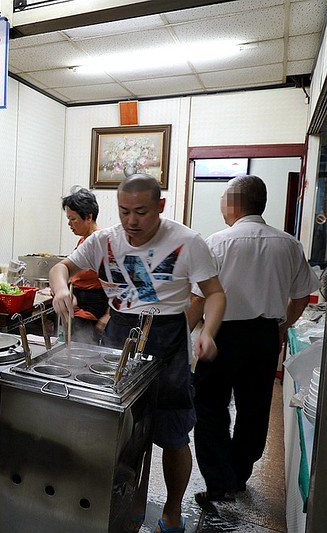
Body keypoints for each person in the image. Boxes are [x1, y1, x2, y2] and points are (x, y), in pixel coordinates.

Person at [50, 174, 225, 533]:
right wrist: (60, 289)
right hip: (120, 334)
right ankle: (112, 508)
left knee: (173, 435)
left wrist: (208, 331)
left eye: (141, 212)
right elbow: (61, 268)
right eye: (124, 211)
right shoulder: (104, 241)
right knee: (116, 431)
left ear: (160, 206)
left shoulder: (188, 242)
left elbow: (215, 292)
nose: (131, 221)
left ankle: (172, 513)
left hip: (168, 340)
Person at [188, 175, 318, 505]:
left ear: (233, 204)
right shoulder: (288, 244)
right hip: (264, 336)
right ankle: (239, 475)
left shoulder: (216, 243)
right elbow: (302, 296)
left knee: (209, 405)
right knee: (255, 409)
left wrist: (181, 337)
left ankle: (219, 482)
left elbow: (199, 298)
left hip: (222, 335)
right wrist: (283, 326)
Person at [62, 187, 108, 344]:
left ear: (89, 217)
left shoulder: (100, 242)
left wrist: (108, 315)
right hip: (78, 306)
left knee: (83, 352)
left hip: (92, 309)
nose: (69, 224)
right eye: (68, 219)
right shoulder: (83, 239)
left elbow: (118, 286)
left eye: (73, 219)